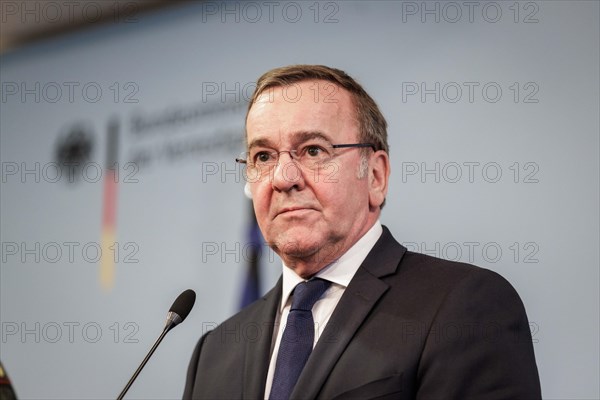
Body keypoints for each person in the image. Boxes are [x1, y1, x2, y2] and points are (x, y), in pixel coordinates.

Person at [183, 65, 541, 399]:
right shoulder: (214, 354)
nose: (283, 178)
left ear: (375, 176)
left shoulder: (464, 308)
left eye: (312, 150)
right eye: (263, 156)